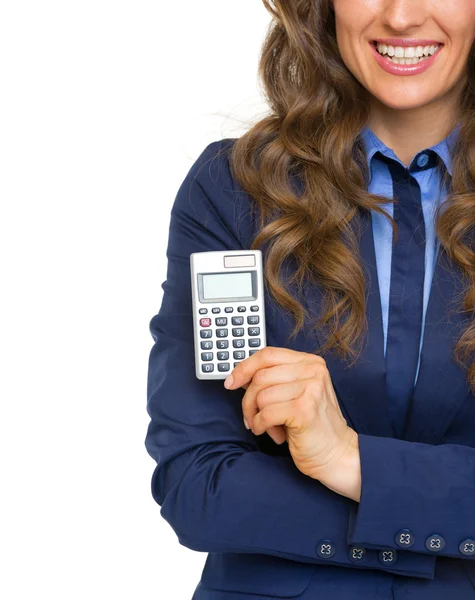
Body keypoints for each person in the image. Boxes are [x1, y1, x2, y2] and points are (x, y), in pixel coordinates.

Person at [144, 0, 475, 598]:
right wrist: (435, 520)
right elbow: (199, 487)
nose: (401, 17)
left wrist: (350, 462)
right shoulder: (233, 188)